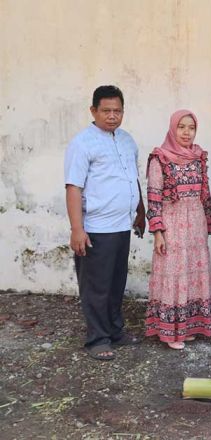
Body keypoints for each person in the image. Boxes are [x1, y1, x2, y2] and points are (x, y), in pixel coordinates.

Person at [64, 85, 145, 361]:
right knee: (96, 287)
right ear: (93, 111)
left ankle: (114, 331)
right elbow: (73, 187)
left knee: (115, 283)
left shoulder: (126, 140)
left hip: (122, 225)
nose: (112, 116)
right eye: (106, 110)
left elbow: (133, 178)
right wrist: (77, 228)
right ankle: (97, 339)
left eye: (117, 110)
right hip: (96, 228)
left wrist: (140, 211)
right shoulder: (82, 143)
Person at [144, 110, 211, 350]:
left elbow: (205, 192)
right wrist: (157, 232)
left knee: (193, 274)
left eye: (191, 128)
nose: (186, 132)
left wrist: (207, 222)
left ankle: (187, 327)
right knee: (174, 274)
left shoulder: (198, 157)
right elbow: (153, 197)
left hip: (195, 223)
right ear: (172, 129)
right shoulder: (160, 158)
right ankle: (171, 331)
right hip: (172, 224)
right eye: (181, 127)